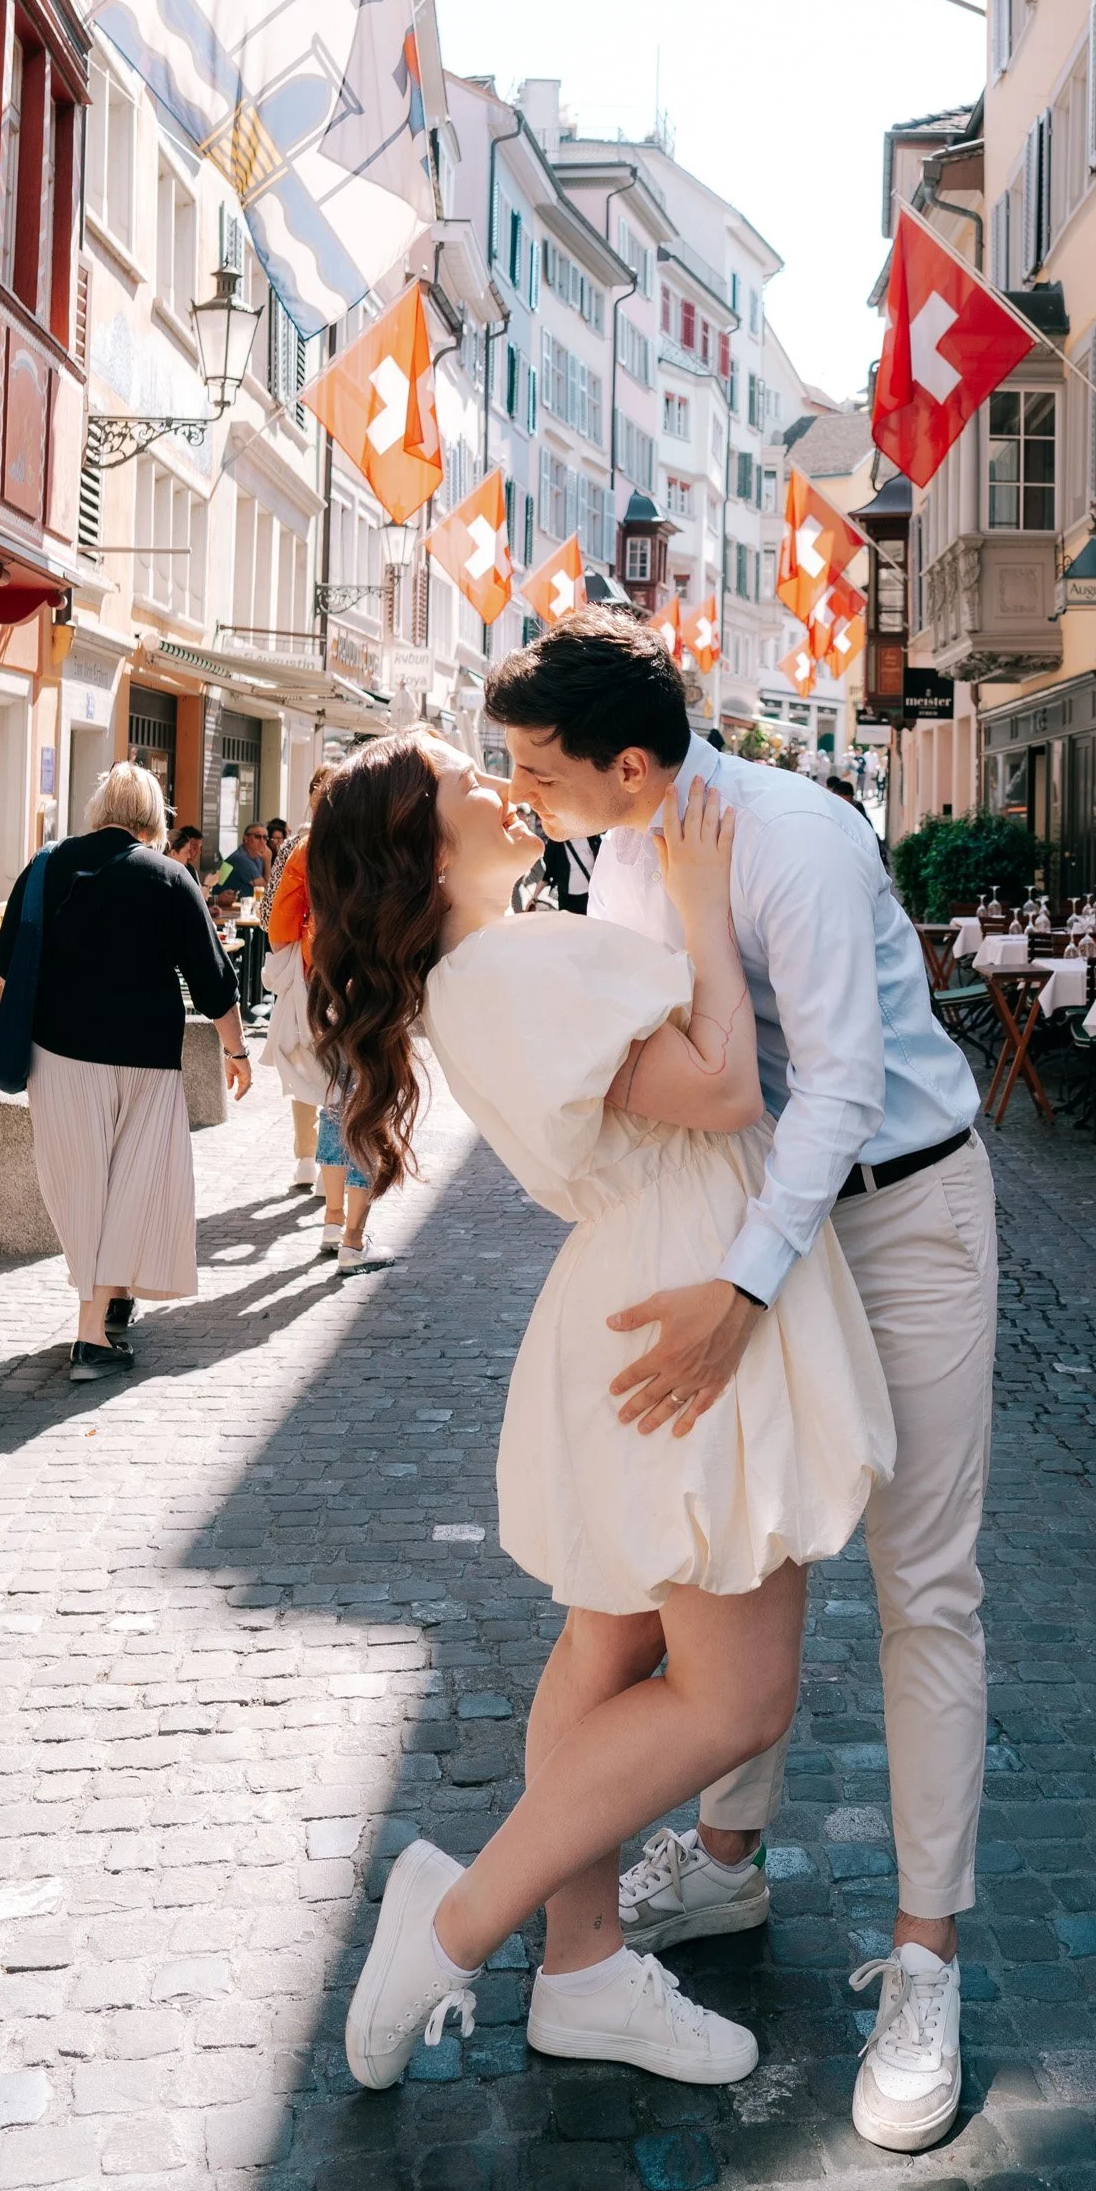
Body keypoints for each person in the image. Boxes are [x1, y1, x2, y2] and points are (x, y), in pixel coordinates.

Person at [311, 733, 891, 2092]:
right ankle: (454, 1925)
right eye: (470, 784)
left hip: (661, 1267)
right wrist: (696, 897)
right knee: (735, 1697)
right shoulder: (510, 967)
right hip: (684, 1284)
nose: (502, 787)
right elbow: (726, 1091)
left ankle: (580, 1971)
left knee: (614, 1637)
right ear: (429, 852)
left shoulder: (505, 960)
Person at [483, 611, 993, 2154]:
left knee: (924, 1583)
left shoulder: (799, 840)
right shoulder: (624, 850)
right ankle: (725, 1858)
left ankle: (925, 1960)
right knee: (741, 1543)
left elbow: (835, 1085)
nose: (520, 795)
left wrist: (741, 1286)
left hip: (902, 1216)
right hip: (754, 1223)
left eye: (535, 770)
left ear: (627, 762)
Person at [0, 762, 250, 1382]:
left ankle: (101, 1311)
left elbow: (4, 959)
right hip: (145, 1061)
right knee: (133, 1186)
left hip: (59, 1056)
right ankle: (95, 1332)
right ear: (155, 818)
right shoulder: (168, 876)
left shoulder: (46, 866)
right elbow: (214, 981)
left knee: (79, 1185)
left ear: (97, 807)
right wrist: (237, 1053)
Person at [264, 768, 375, 1263]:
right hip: (375, 987)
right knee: (372, 1102)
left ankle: (331, 1223)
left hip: (321, 983)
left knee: (334, 1101)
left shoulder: (307, 851)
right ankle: (355, 1236)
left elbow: (279, 924)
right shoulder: (381, 849)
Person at [536, 830, 603, 914]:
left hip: (591, 896)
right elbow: (548, 873)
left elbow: (602, 864)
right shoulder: (556, 844)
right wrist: (534, 898)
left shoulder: (592, 837)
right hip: (567, 899)